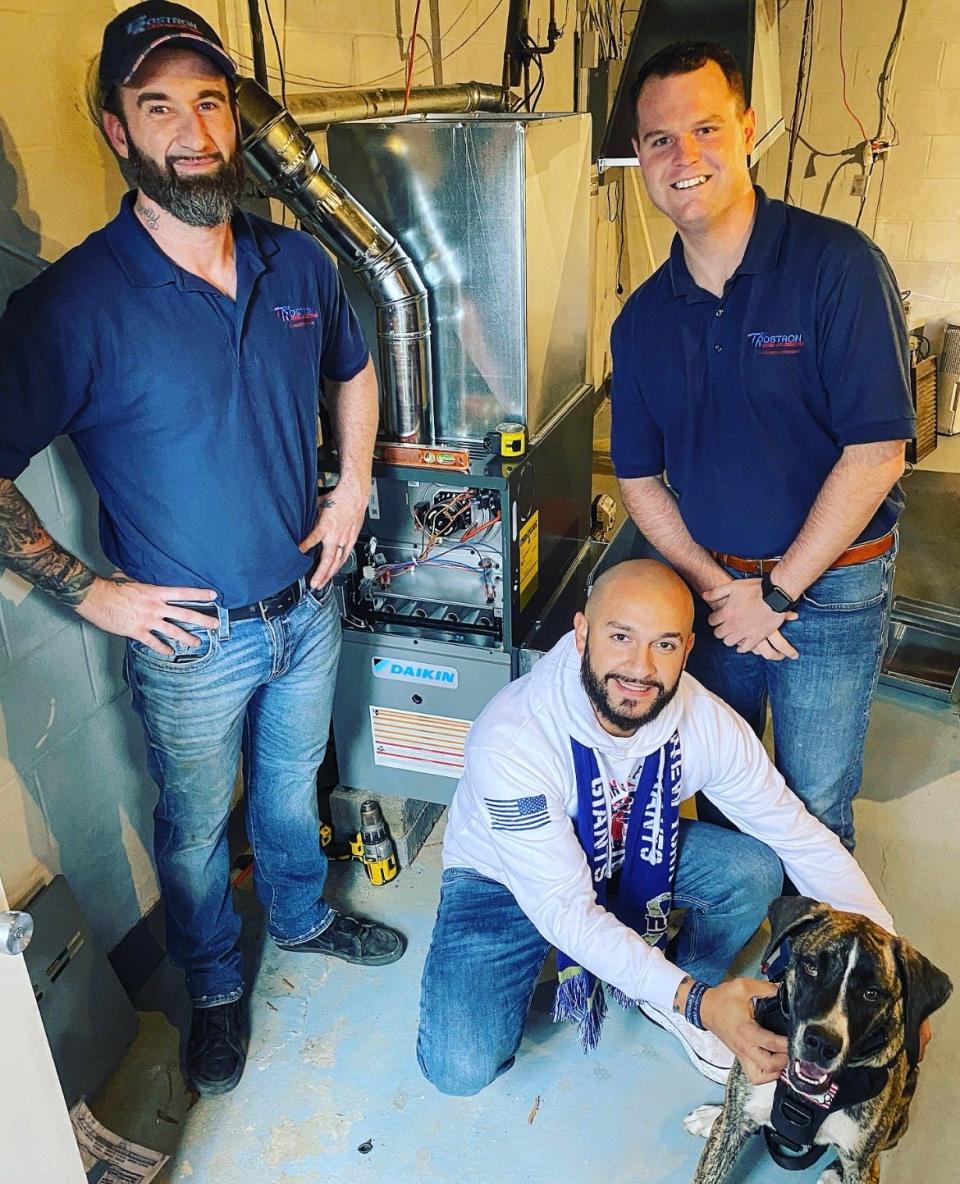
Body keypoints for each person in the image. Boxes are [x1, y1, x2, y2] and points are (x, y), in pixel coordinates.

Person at [0, 1, 404, 1098]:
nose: (192, 129)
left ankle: (308, 915)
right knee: (188, 831)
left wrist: (354, 480)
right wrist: (93, 596)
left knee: (286, 790)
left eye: (210, 103)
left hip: (306, 605)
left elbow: (354, 366)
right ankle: (215, 985)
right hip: (190, 643)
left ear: (236, 121)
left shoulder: (296, 264)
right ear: (116, 129)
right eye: (158, 105)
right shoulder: (72, 305)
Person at [416, 560, 896, 1095]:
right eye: (621, 637)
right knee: (459, 1068)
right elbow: (562, 908)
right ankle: (686, 995)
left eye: (664, 645)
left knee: (754, 870)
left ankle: (683, 982)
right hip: (504, 878)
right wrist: (696, 999)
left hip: (631, 850)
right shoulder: (514, 739)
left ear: (687, 651)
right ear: (582, 635)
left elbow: (796, 833)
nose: (640, 668)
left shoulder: (705, 723)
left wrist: (892, 963)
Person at [610, 42, 915, 849]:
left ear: (748, 130)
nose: (684, 157)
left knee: (814, 802)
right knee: (722, 785)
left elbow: (878, 452)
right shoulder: (641, 319)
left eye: (705, 128)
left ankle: (819, 965)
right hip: (713, 598)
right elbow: (638, 481)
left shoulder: (837, 268)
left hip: (830, 594)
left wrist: (777, 592)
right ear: (639, 157)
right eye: (659, 140)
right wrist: (721, 592)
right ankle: (739, 961)